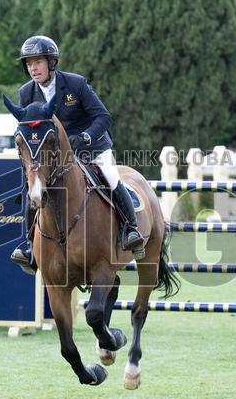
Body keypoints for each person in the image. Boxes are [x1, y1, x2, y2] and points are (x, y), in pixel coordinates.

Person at [8, 35, 143, 272]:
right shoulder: (26, 93)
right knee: (33, 187)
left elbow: (103, 116)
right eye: (29, 63)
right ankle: (30, 246)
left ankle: (131, 230)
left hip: (90, 147)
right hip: (54, 154)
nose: (33, 68)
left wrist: (86, 136)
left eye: (38, 62)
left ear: (52, 62)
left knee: (111, 177)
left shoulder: (75, 84)